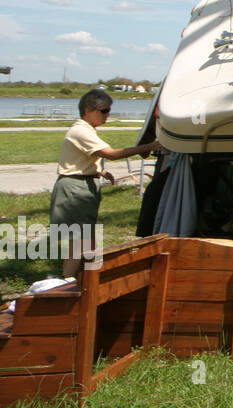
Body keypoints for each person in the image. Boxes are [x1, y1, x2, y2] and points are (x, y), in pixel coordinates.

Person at [50, 88, 162, 278]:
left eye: (109, 110)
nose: (107, 115)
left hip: (82, 185)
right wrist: (149, 146)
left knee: (87, 239)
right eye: (104, 111)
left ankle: (83, 280)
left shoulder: (86, 129)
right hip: (75, 188)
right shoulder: (80, 131)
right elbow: (110, 153)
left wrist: (99, 171)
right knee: (80, 241)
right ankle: (68, 282)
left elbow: (80, 158)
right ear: (88, 110)